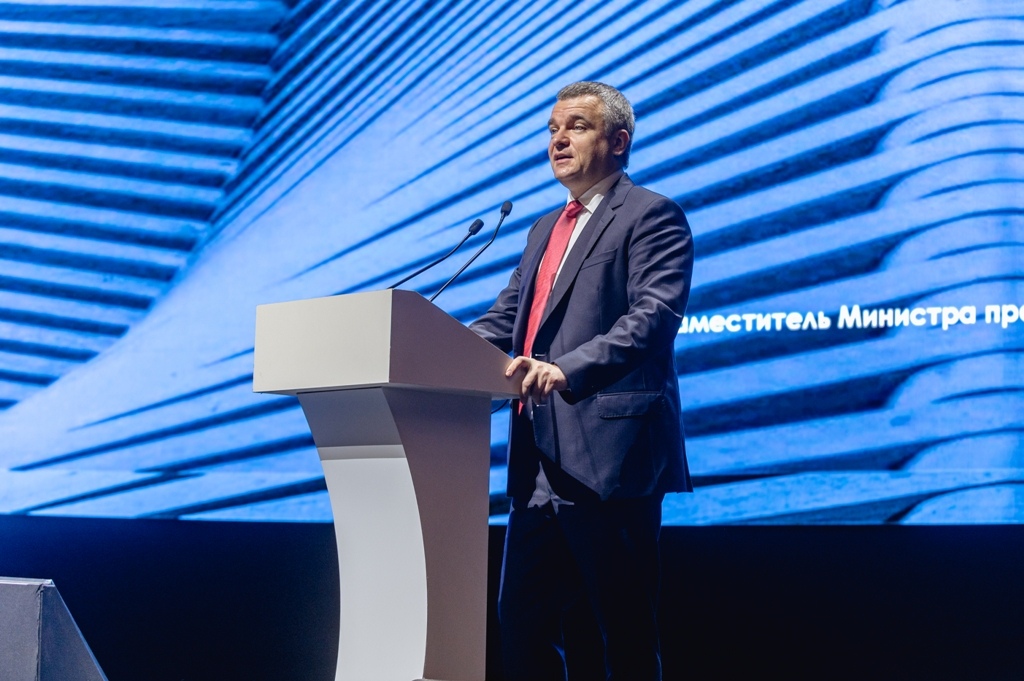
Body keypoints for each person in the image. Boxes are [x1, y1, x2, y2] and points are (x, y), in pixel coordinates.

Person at [470, 81, 694, 681]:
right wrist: (429, 349)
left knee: (623, 635)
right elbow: (507, 318)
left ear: (618, 141)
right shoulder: (544, 228)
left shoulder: (651, 215)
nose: (558, 140)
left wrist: (566, 368)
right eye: (552, 129)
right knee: (522, 628)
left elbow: (653, 317)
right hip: (537, 463)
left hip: (610, 459)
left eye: (576, 126)